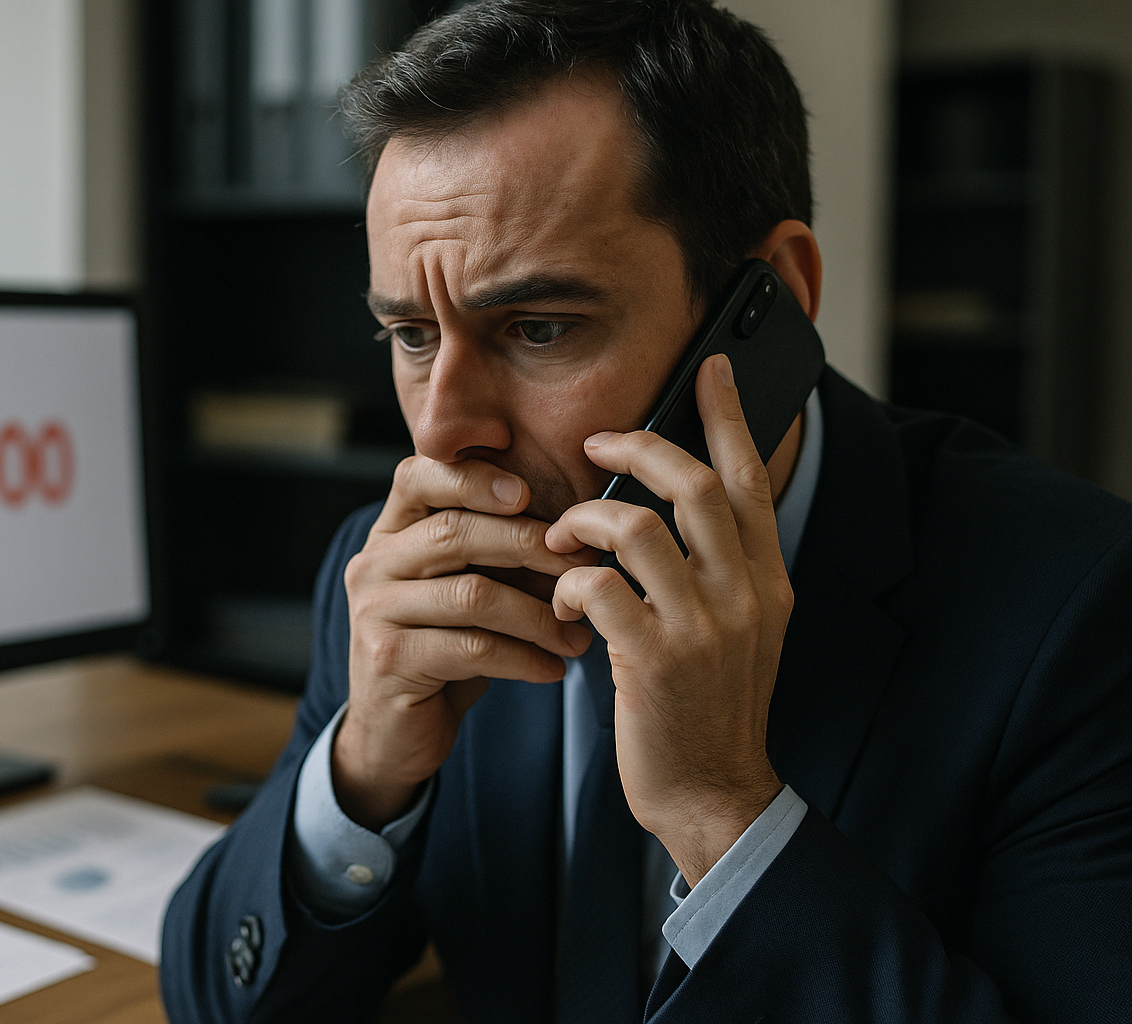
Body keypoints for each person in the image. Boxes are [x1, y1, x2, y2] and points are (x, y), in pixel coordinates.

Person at [160, 2, 1132, 1021]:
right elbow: (211, 998)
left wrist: (723, 812)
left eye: (538, 328)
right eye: (410, 335)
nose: (442, 436)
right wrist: (365, 772)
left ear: (777, 303)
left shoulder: (1077, 611)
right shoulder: (391, 570)